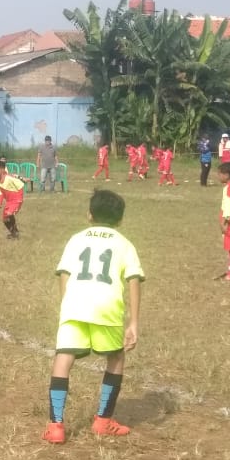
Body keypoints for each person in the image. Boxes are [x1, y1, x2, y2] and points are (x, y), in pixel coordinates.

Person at [43, 189, 144, 444]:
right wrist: (133, 322)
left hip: (74, 306)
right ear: (120, 219)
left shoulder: (76, 239)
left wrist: (67, 303)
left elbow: (64, 273)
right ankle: (103, 420)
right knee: (116, 356)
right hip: (107, 308)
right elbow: (133, 280)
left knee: (63, 357)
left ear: (89, 215)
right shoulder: (124, 244)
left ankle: (55, 425)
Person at [0, 160, 24, 239]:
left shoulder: (9, 178)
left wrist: (19, 199)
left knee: (9, 214)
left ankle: (15, 233)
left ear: (3, 170)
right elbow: (1, 193)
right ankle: (14, 233)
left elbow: (20, 186)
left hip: (16, 200)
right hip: (9, 202)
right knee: (5, 220)